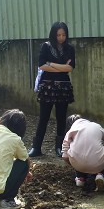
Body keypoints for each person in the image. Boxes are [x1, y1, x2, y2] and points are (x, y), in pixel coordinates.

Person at [28, 21, 75, 158]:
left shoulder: (70, 49)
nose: (61, 37)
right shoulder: (46, 47)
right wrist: (61, 66)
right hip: (47, 86)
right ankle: (36, 147)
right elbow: (42, 66)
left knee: (61, 118)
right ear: (53, 35)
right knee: (43, 117)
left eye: (63, 35)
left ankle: (59, 148)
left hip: (63, 87)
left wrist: (52, 64)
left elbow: (70, 68)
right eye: (58, 35)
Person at [61, 114, 104, 191]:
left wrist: (75, 164)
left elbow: (64, 156)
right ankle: (101, 174)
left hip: (78, 165)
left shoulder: (70, 132)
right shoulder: (96, 126)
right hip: (99, 163)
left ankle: (80, 178)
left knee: (75, 153)